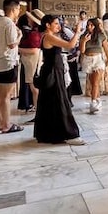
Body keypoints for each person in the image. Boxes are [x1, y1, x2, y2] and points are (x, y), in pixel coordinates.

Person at [34, 14, 85, 146]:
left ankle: (52, 133)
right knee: (59, 101)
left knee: (52, 103)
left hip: (54, 71)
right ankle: (69, 133)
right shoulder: (49, 36)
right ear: (48, 25)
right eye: (56, 24)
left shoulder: (49, 36)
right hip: (52, 73)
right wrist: (78, 32)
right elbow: (70, 45)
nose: (59, 26)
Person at [0, 0, 22, 133]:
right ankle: (6, 125)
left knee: (0, 95)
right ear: (13, 9)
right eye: (19, 9)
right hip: (8, 62)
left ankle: (1, 122)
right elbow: (12, 44)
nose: (19, 12)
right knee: (6, 96)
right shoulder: (9, 24)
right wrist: (20, 35)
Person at [80, 17, 108, 113]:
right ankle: (97, 99)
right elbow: (82, 51)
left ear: (95, 26)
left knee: (95, 83)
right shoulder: (84, 36)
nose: (89, 27)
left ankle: (93, 103)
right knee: (93, 83)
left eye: (91, 25)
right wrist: (84, 41)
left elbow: (106, 48)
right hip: (87, 59)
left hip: (98, 59)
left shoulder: (101, 35)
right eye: (88, 25)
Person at [18, 8, 45, 116]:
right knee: (34, 87)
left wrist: (17, 49)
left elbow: (34, 50)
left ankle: (39, 112)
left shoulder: (34, 34)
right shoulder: (36, 32)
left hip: (32, 60)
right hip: (32, 60)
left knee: (34, 87)